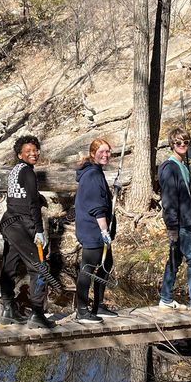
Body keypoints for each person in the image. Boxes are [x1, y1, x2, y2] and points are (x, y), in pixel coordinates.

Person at [0, 135, 56, 329]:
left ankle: (8, 310)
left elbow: (22, 196)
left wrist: (37, 197)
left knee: (10, 266)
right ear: (20, 155)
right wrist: (39, 230)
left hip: (9, 223)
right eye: (28, 151)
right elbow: (32, 204)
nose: (34, 153)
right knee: (39, 268)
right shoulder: (28, 172)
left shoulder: (15, 170)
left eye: (35, 150)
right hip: (22, 226)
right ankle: (37, 314)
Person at [158, 127, 191, 314]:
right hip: (180, 224)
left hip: (188, 222)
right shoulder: (169, 167)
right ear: (172, 144)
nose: (183, 145)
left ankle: (166, 299)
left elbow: (188, 196)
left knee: (175, 260)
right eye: (178, 142)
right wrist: (172, 227)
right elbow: (169, 200)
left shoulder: (183, 166)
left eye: (186, 142)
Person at [73, 138, 119, 324]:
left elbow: (100, 197)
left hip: (95, 230)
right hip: (93, 230)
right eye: (101, 151)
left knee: (107, 263)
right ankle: (82, 310)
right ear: (93, 154)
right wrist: (104, 231)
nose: (105, 155)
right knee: (88, 269)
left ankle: (98, 305)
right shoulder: (92, 175)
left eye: (108, 151)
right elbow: (96, 207)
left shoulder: (96, 172)